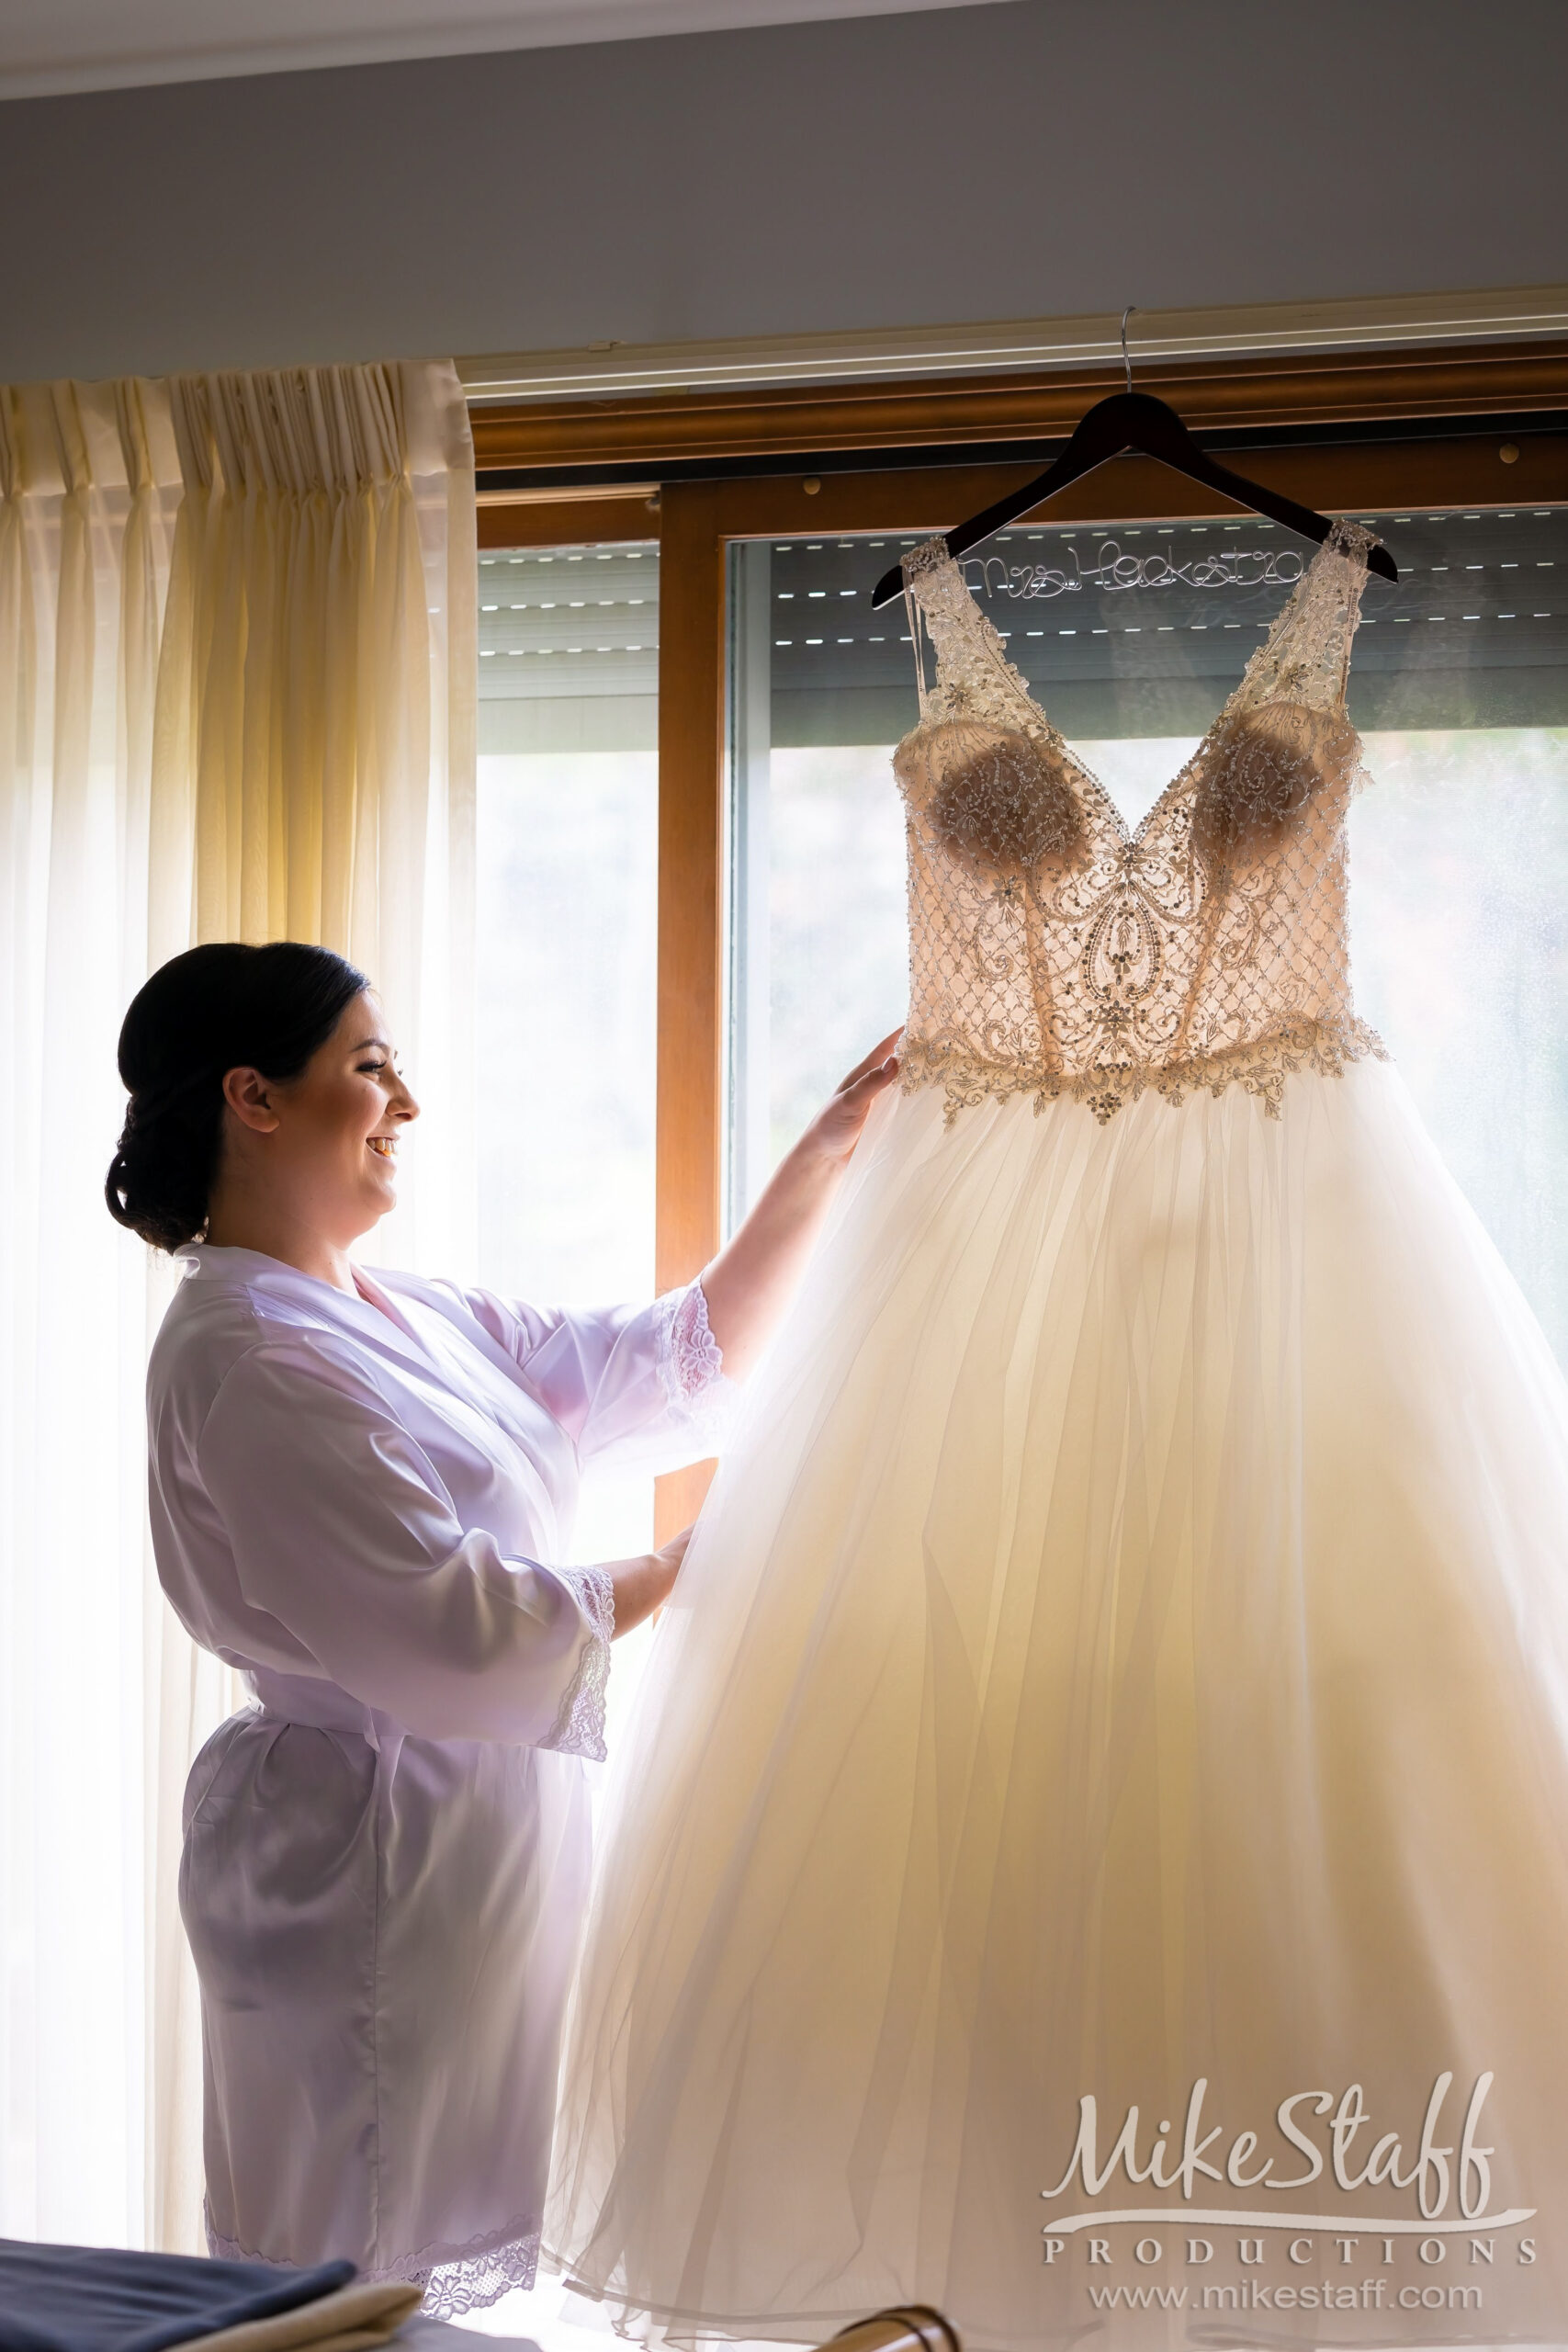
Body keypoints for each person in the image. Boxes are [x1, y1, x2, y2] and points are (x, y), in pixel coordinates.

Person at [106, 939, 898, 2318]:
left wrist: (828, 1153)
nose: (403, 1100)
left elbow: (661, 1361)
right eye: (368, 1066)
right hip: (360, 1859)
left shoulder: (402, 1312)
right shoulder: (246, 1355)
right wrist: (699, 1564)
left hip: (481, 1840)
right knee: (351, 2270)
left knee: (460, 2259)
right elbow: (441, 1622)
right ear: (255, 1097)